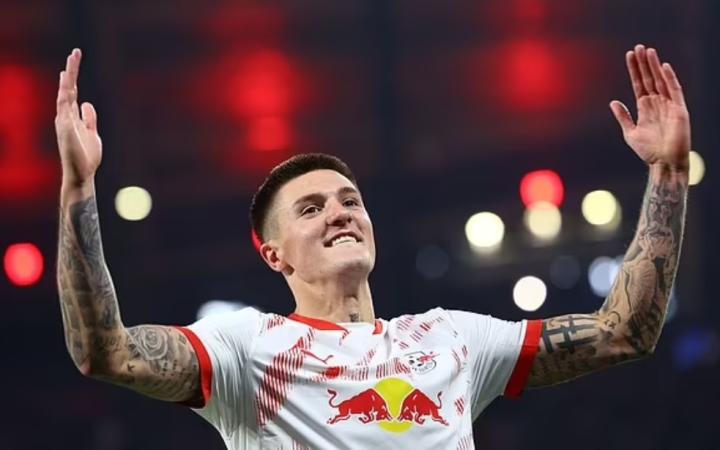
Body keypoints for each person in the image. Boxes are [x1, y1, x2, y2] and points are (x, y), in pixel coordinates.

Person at [55, 43, 690, 449]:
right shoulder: (247, 348)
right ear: (274, 255)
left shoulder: (453, 338)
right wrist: (79, 189)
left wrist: (667, 173)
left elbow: (624, 333)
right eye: (311, 209)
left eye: (350, 200)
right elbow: (106, 352)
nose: (340, 213)